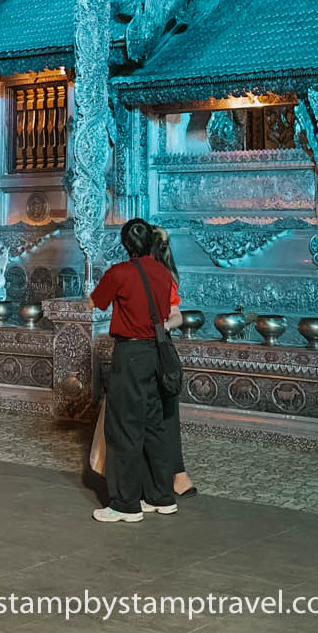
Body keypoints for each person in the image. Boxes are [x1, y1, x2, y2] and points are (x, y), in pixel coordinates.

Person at [88, 218, 181, 522]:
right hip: (157, 352)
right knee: (154, 425)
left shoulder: (119, 273)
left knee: (124, 427)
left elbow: (96, 302)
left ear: (125, 244)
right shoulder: (163, 273)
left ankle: (125, 504)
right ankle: (161, 496)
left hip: (130, 355)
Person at [150, 225, 196, 500]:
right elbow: (177, 316)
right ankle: (176, 475)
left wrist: (160, 327)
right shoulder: (163, 275)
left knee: (163, 412)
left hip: (155, 348)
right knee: (164, 413)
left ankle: (176, 475)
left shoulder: (160, 277)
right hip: (160, 346)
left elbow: (176, 315)